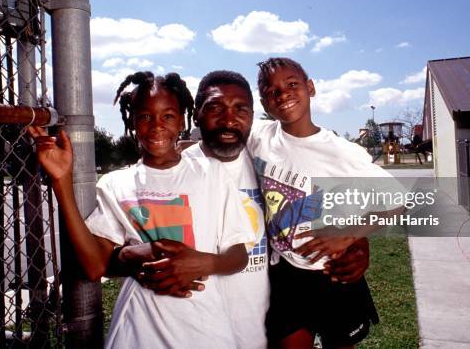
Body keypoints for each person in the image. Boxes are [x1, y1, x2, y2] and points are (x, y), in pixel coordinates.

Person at [119, 70, 371, 348]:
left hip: (263, 316)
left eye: (241, 109)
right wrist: (131, 255)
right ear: (197, 113)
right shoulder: (175, 170)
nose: (229, 119)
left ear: (253, 115)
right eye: (215, 107)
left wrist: (358, 241)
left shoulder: (268, 158)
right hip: (198, 324)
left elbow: (332, 194)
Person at [29, 71, 255, 348]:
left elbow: (238, 256)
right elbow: (93, 266)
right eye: (145, 117)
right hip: (137, 330)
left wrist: (201, 262)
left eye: (168, 116)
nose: (156, 126)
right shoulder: (116, 184)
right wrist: (61, 182)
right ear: (132, 121)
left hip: (206, 328)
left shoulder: (214, 173)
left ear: (183, 119)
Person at [249, 58, 405, 348]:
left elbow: (399, 200)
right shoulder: (259, 136)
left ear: (310, 88)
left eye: (292, 84)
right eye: (272, 91)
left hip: (333, 272)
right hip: (284, 272)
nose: (283, 94)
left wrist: (349, 235)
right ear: (264, 103)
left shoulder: (342, 152)